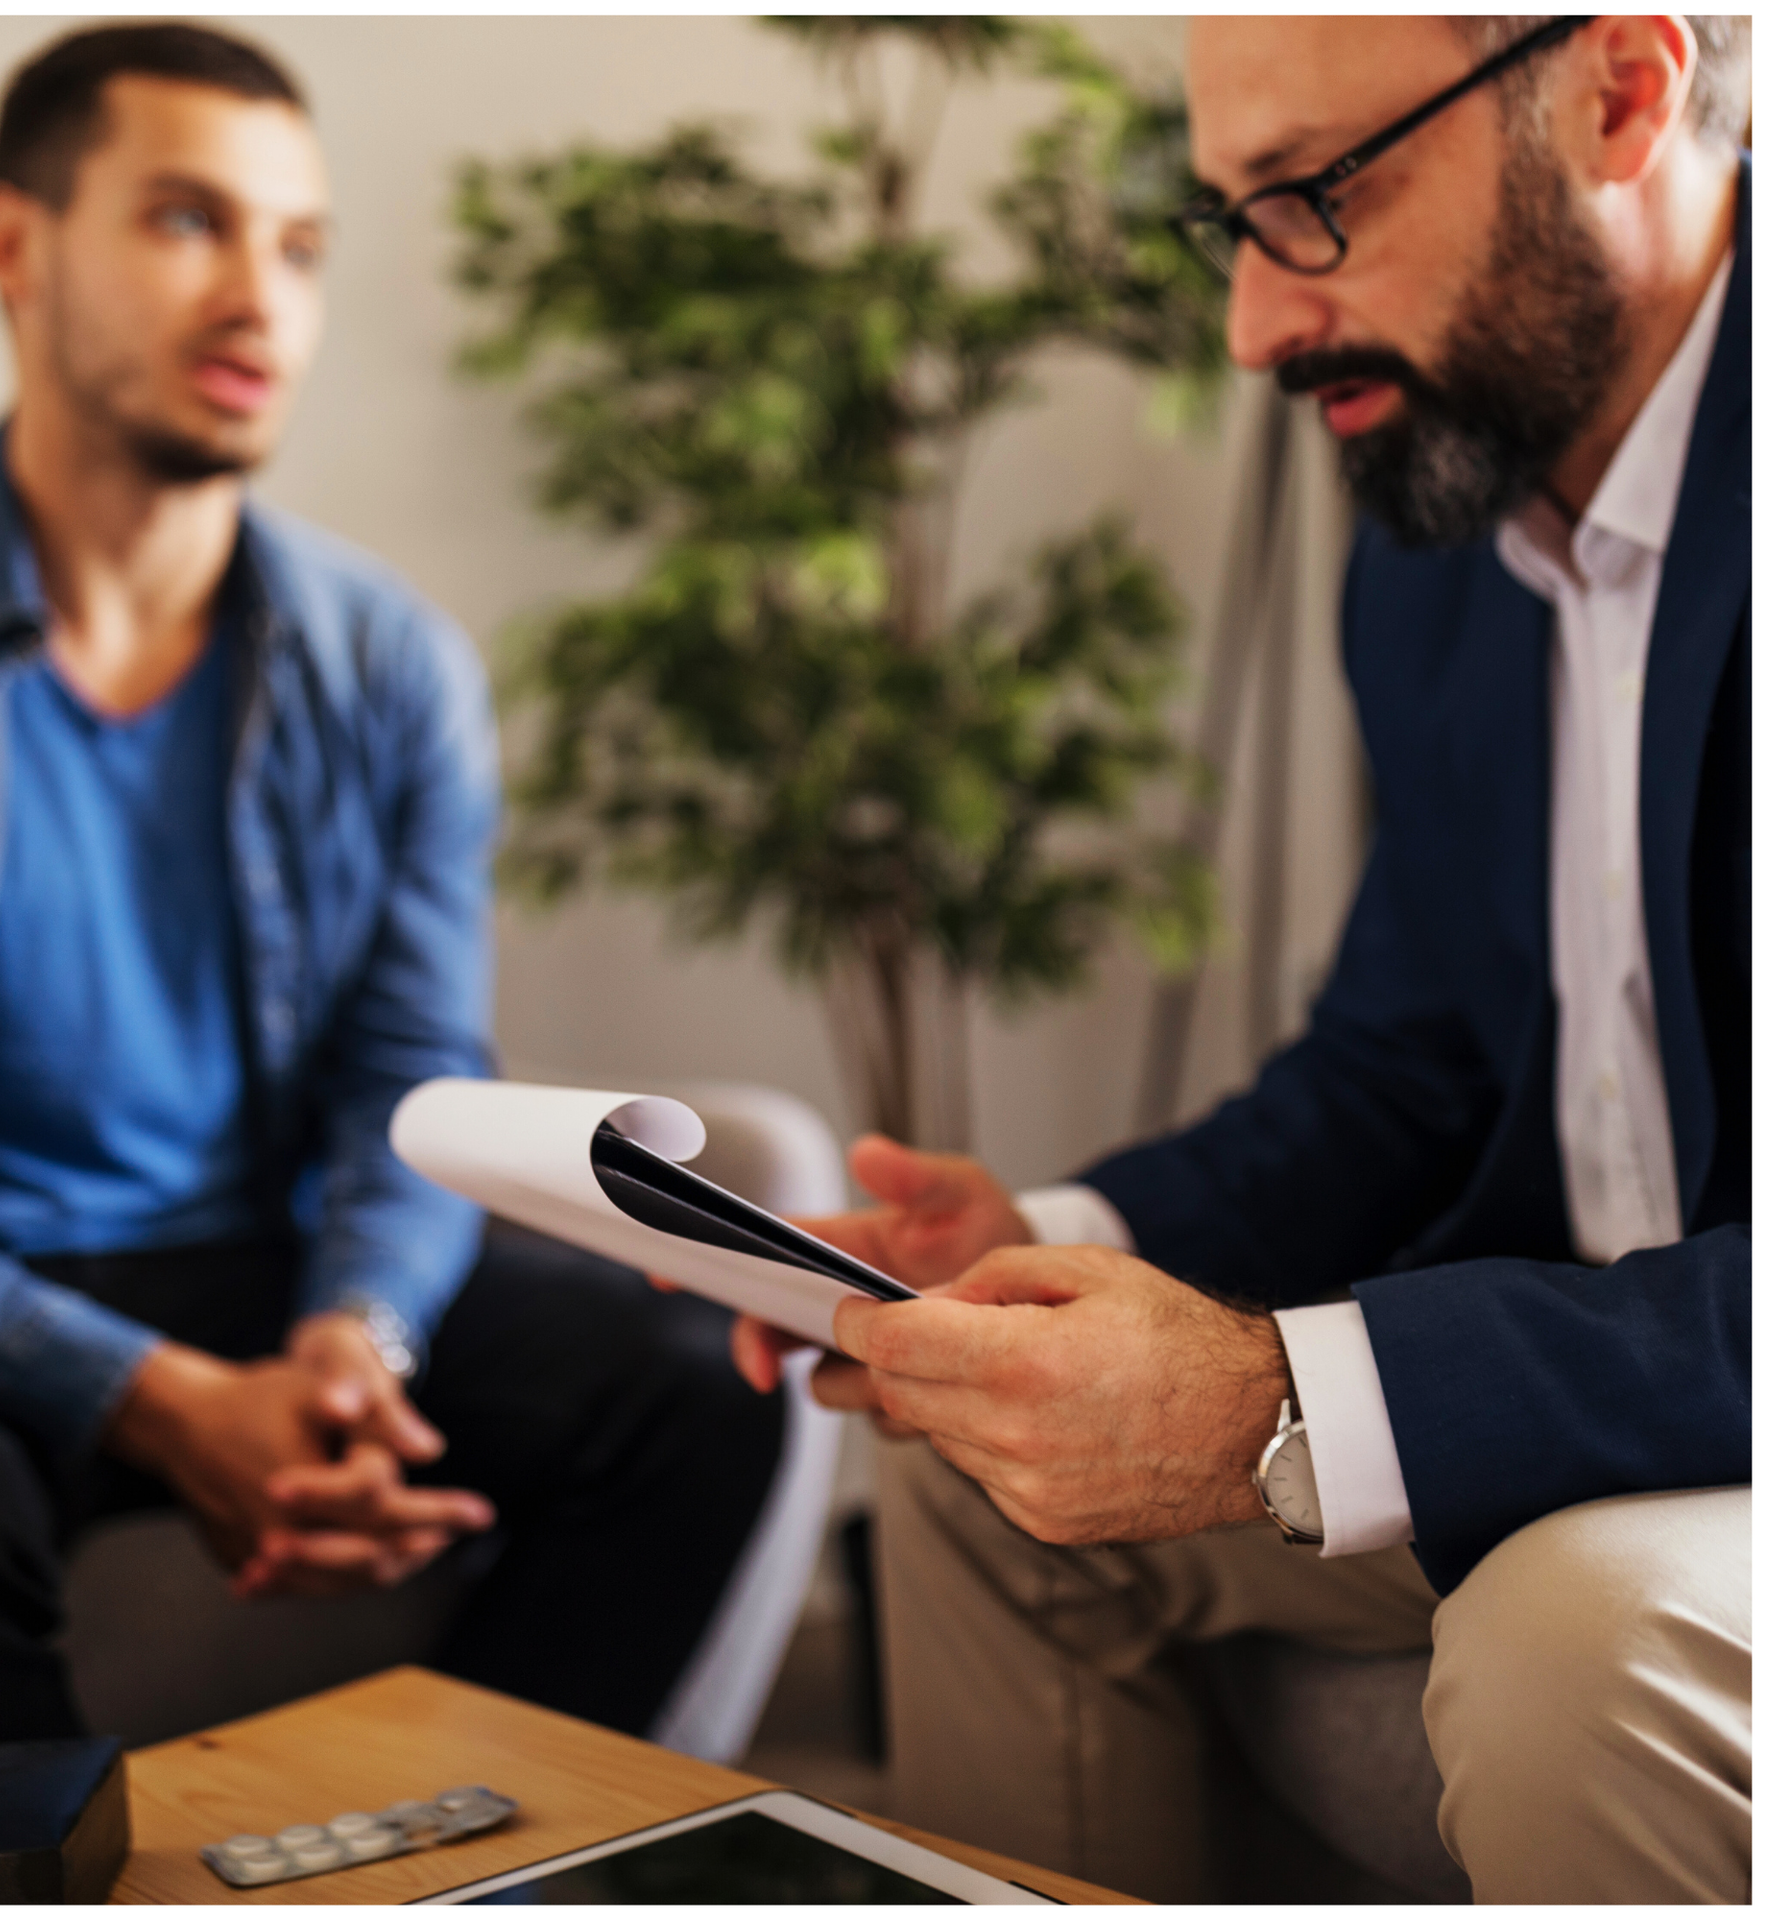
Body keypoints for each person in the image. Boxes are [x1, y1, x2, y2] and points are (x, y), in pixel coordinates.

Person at [733, 14, 1750, 1903]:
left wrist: (1289, 1404)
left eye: (1317, 195)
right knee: (978, 1486)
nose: (1256, 333)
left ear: (1620, 91)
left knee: (1574, 1635)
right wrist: (1048, 1240)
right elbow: (1404, 1066)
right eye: (1232, 223)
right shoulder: (1445, 541)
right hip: (1606, 1373)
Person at [0, 21, 784, 1747]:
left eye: (298, 248)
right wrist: (144, 1399)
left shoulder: (390, 665)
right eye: (186, 221)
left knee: (685, 1388)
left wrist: (359, 1342)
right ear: (16, 244)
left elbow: (411, 1074)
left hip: (252, 1256)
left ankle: (454, 1862)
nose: (259, 299)